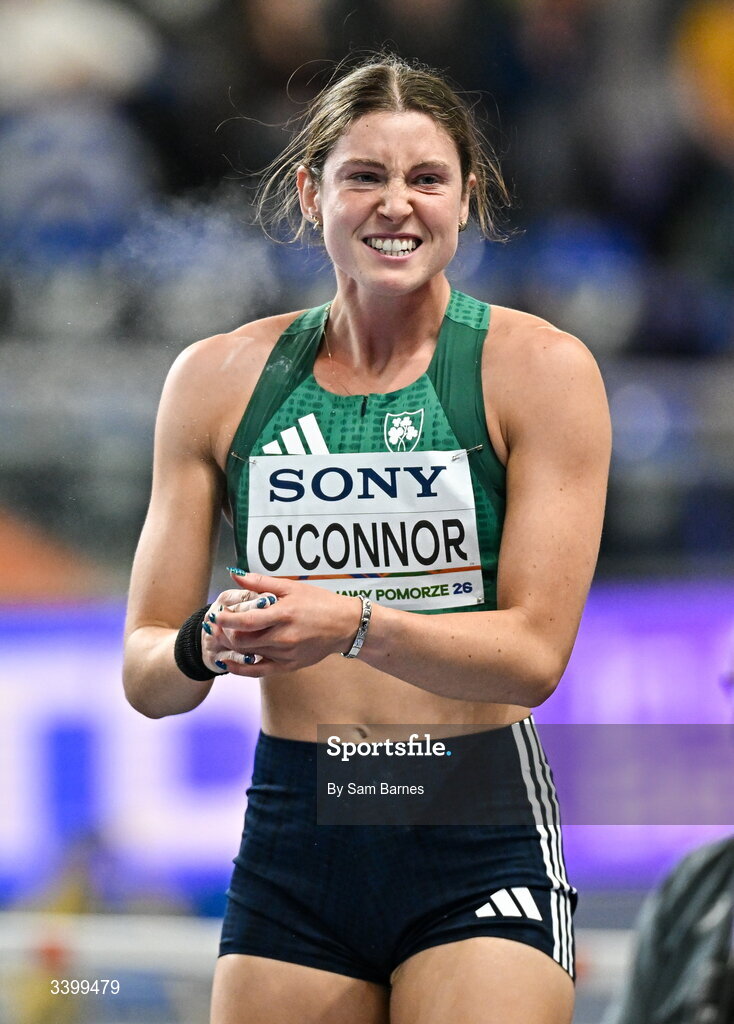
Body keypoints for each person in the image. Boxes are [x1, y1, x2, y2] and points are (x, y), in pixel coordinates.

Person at [123, 54, 611, 1024]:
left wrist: (349, 621)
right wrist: (204, 641)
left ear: (466, 198)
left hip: (472, 828)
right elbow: (146, 674)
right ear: (311, 194)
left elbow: (530, 656)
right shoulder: (216, 380)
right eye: (364, 176)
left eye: (425, 178)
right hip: (297, 834)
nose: (397, 205)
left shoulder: (538, 371)